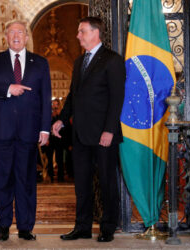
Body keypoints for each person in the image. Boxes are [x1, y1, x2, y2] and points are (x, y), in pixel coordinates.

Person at [52, 17, 126, 243]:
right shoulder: (78, 62)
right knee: (82, 185)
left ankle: (107, 228)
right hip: (81, 135)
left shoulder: (112, 60)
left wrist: (109, 130)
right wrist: (61, 120)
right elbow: (74, 97)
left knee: (106, 183)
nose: (77, 35)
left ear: (95, 33)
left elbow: (117, 99)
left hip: (104, 135)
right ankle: (82, 227)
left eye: (81, 31)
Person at [0, 20, 51, 241]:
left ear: (27, 37)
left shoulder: (40, 63)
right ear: (6, 37)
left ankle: (25, 226)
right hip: (1, 131)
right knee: (2, 179)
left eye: (20, 32)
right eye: (12, 33)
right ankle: (3, 225)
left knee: (26, 180)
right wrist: (8, 89)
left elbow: (45, 98)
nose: (16, 36)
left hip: (29, 132)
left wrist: (45, 129)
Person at [43, 99, 64, 182]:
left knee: (59, 159)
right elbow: (46, 126)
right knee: (50, 159)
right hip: (50, 139)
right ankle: (51, 176)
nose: (55, 106)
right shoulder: (49, 114)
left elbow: (64, 127)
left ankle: (60, 177)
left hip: (59, 139)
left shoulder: (62, 114)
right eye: (53, 104)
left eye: (56, 104)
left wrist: (59, 116)